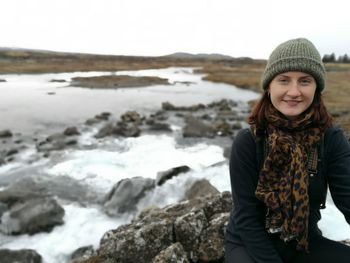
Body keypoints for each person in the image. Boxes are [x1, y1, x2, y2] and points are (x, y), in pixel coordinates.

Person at [225, 38, 350, 263]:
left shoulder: (331, 138)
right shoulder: (248, 141)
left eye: (305, 81)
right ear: (269, 86)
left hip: (303, 242)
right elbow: (246, 219)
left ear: (316, 87)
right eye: (284, 80)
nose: (294, 92)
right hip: (250, 244)